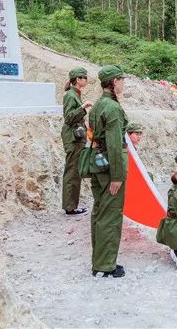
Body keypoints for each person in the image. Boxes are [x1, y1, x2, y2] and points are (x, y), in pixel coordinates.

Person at [88, 65, 128, 278]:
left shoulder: (98, 105)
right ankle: (104, 265)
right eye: (121, 79)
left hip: (98, 163)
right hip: (110, 167)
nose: (123, 83)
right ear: (114, 82)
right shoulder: (112, 108)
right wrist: (117, 176)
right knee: (110, 214)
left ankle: (100, 261)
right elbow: (114, 144)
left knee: (99, 211)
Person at [61, 67, 93, 215]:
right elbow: (68, 118)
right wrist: (82, 107)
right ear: (77, 79)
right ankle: (70, 207)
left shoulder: (75, 94)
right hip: (73, 138)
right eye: (84, 77)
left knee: (74, 171)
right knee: (72, 172)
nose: (86, 80)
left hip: (76, 137)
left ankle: (71, 205)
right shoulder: (70, 95)